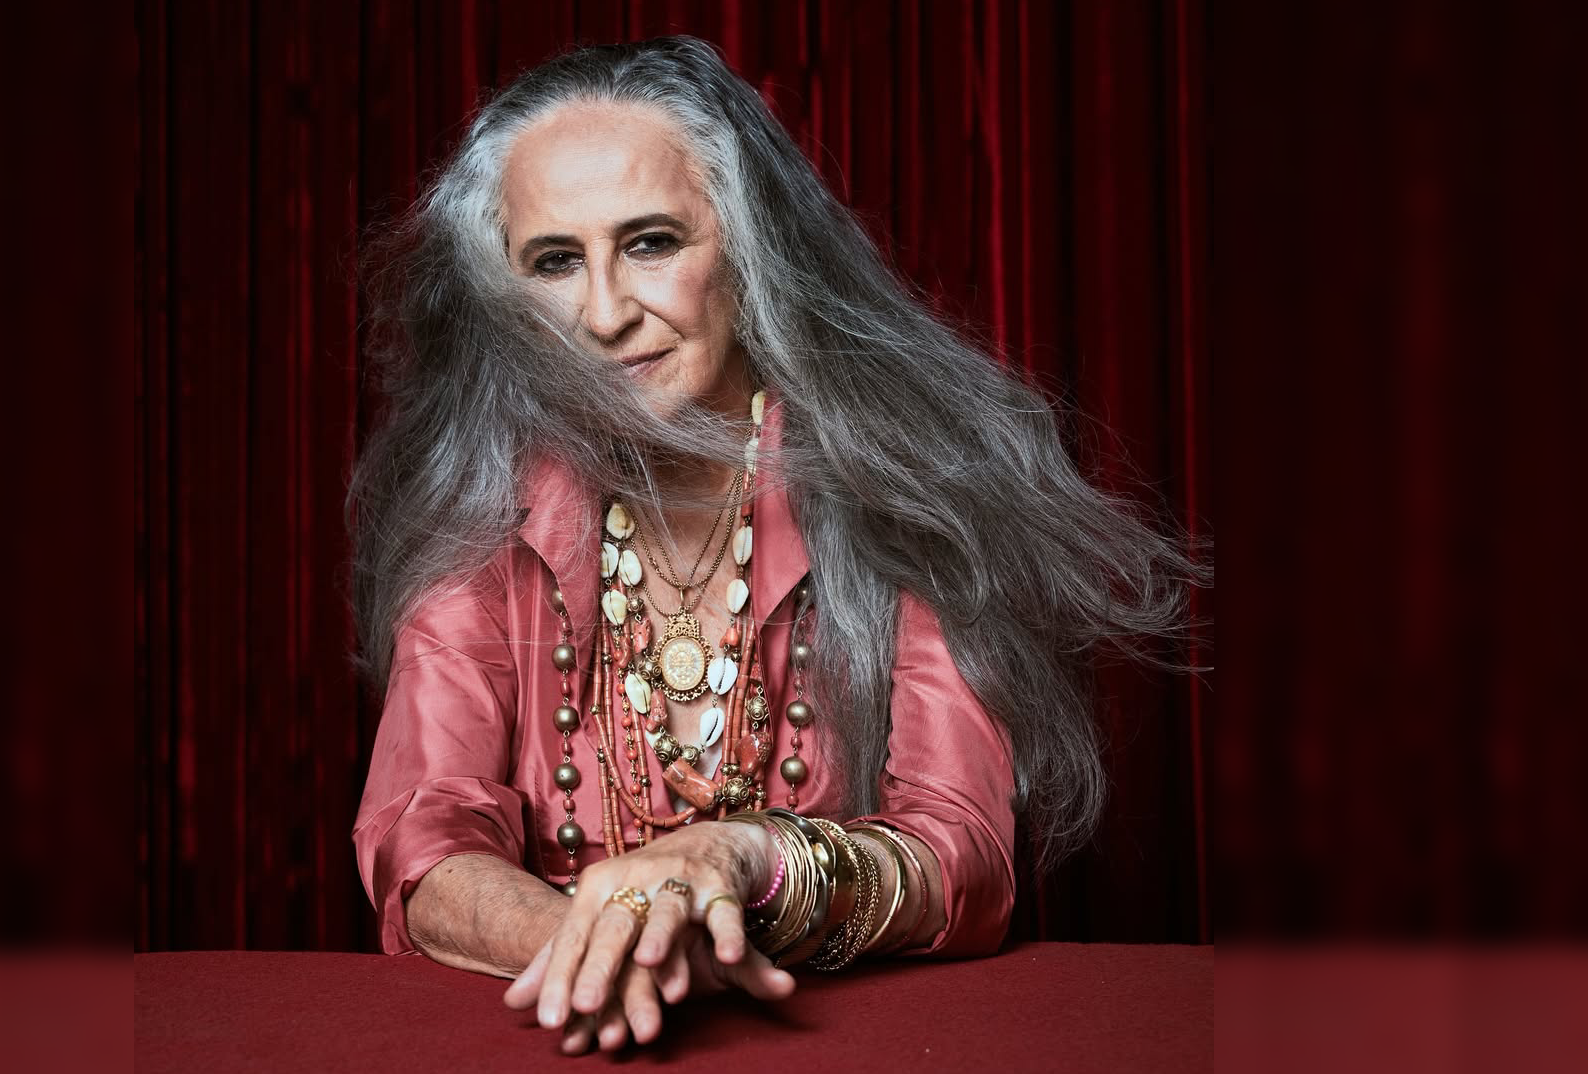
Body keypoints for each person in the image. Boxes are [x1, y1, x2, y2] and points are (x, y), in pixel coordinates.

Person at [349, 36, 1203, 1055]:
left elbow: (962, 853)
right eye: (554, 262)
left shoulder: (903, 489)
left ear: (751, 250)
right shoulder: (486, 512)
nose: (606, 314)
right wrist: (609, 944)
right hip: (576, 1036)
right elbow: (422, 833)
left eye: (651, 242)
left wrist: (742, 859)